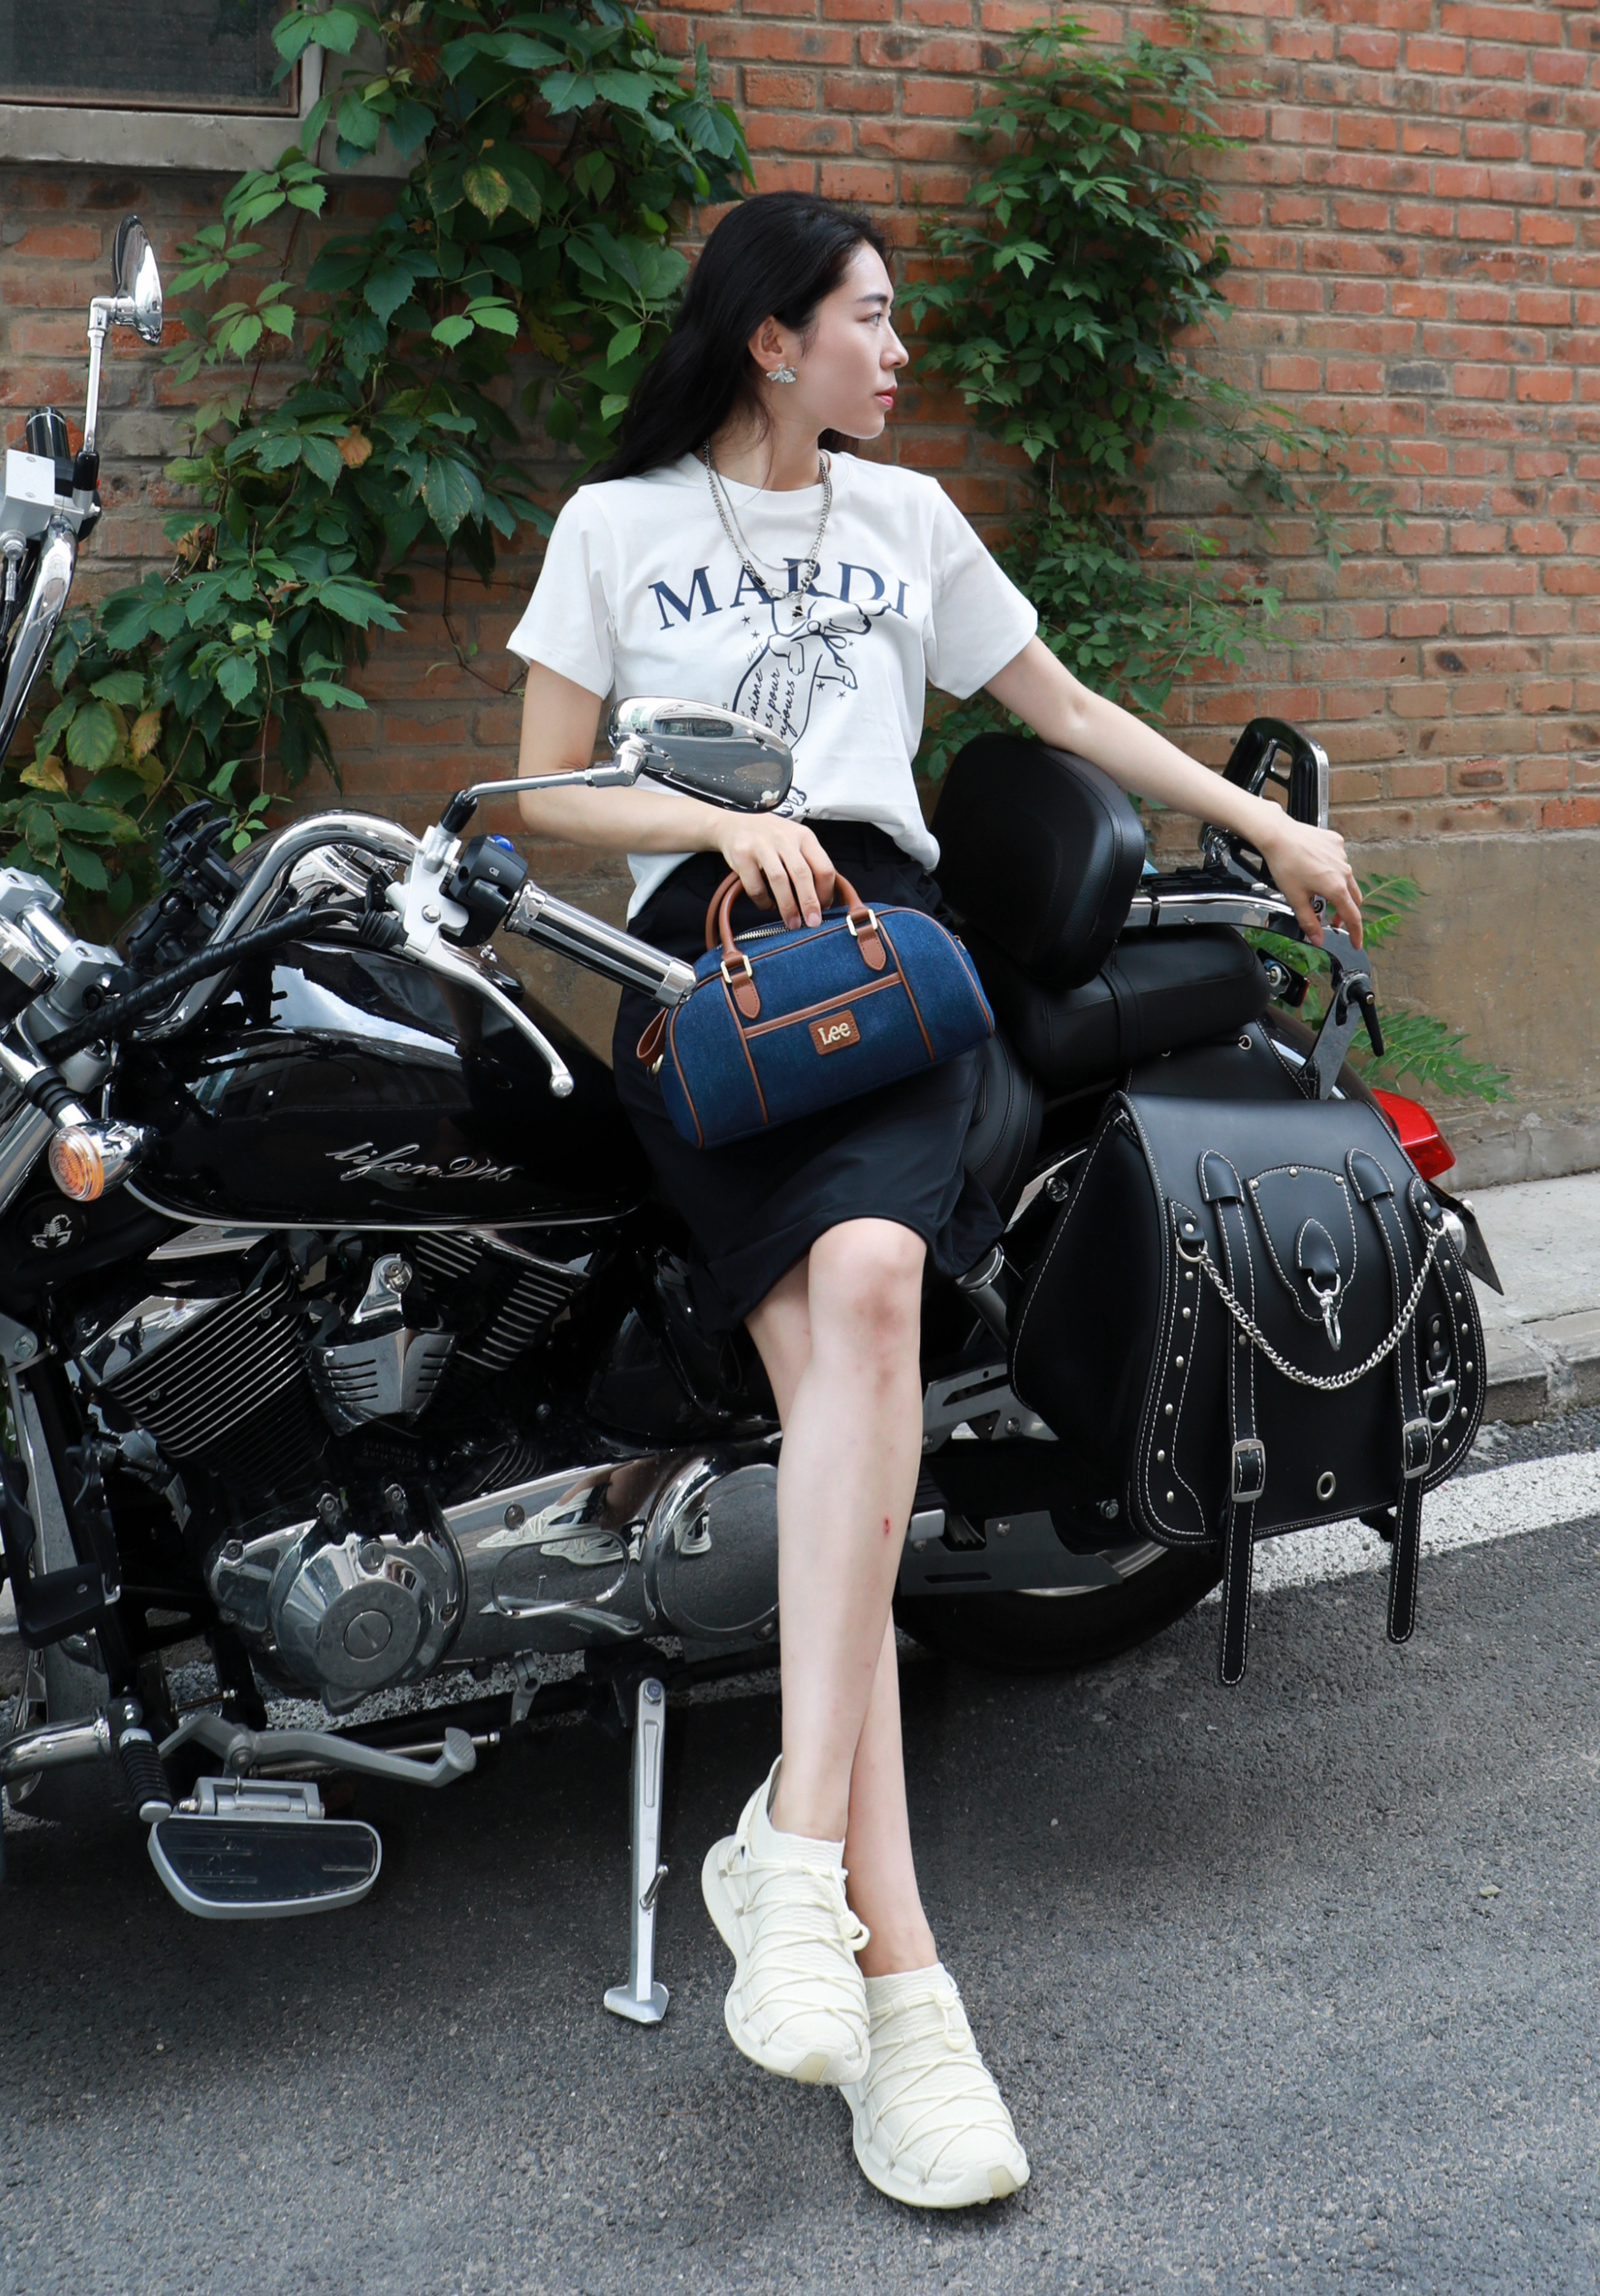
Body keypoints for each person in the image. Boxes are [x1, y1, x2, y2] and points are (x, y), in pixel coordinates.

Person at [505, 190, 1362, 2210]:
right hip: (707, 980)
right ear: (769, 338)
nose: (897, 353)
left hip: (894, 963)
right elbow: (539, 802)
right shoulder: (614, 528)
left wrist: (1259, 823)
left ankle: (795, 1857)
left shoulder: (905, 519)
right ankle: (903, 1993)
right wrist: (712, 817)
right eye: (869, 319)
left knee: (873, 1300)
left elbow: (1060, 711)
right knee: (842, 1437)